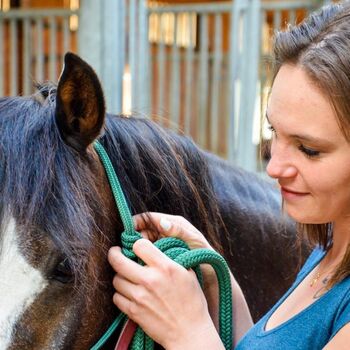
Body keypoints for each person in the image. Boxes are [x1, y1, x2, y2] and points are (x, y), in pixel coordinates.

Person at [108, 2, 350, 349]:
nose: (273, 168)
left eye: (308, 149)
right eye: (273, 132)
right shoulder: (329, 250)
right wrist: (217, 282)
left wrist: (188, 332)